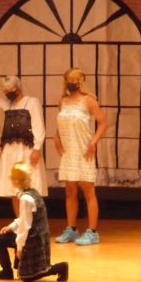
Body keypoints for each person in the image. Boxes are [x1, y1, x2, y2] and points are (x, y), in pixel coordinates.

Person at [0, 162, 68, 282]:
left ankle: (59, 268)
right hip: (36, 235)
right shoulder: (32, 193)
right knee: (0, 240)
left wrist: (20, 248)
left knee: (29, 277)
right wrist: (11, 227)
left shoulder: (26, 199)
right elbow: (24, 218)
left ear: (17, 180)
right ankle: (6, 271)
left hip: (33, 239)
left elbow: (24, 227)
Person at [54, 68, 107, 246]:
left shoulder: (88, 100)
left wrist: (93, 142)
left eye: (76, 79)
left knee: (88, 190)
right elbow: (62, 122)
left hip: (84, 150)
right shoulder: (63, 101)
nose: (73, 82)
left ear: (81, 81)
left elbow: (103, 123)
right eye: (70, 79)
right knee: (70, 191)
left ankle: (92, 232)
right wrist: (56, 136)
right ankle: (71, 229)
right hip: (69, 151)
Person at [0, 76, 47, 217]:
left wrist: (37, 148)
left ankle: (32, 221)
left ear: (18, 87)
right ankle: (20, 221)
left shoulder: (32, 102)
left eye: (10, 89)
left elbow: (38, 125)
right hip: (11, 150)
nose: (8, 93)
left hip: (27, 149)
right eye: (6, 90)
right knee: (14, 189)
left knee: (30, 186)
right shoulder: (7, 104)